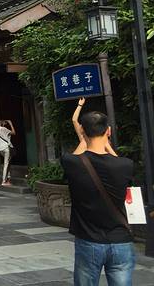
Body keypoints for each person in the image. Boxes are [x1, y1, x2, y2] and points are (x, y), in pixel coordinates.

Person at [61, 98, 134, 285]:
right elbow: (117, 161)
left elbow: (77, 156)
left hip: (89, 241)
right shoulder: (126, 165)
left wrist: (84, 138)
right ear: (108, 131)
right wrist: (107, 145)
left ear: (82, 131)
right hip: (121, 241)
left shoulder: (72, 163)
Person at [0, 117, 15, 186]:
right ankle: (4, 181)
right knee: (6, 164)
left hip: (0, 149)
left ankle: (8, 178)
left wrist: (3, 124)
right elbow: (13, 132)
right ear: (0, 122)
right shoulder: (3, 129)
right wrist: (10, 124)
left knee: (7, 163)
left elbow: (3, 134)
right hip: (6, 148)